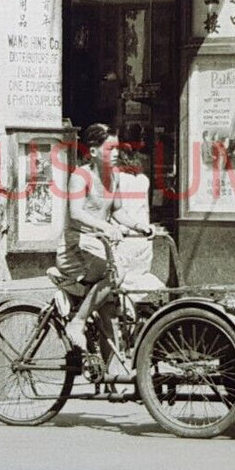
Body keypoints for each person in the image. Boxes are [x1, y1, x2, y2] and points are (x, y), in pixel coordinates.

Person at [57, 123, 132, 361]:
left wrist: (141, 226)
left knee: (109, 313)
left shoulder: (115, 177)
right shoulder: (80, 176)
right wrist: (106, 227)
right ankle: (76, 323)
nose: (116, 153)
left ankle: (111, 380)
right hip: (75, 249)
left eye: (117, 148)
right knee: (115, 273)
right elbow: (76, 212)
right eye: (110, 148)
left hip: (99, 248)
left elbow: (118, 211)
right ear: (92, 151)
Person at [111, 145, 166, 292]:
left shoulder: (116, 179)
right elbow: (145, 208)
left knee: (120, 280)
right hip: (142, 237)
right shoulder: (143, 179)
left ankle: (124, 311)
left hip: (124, 237)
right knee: (140, 277)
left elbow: (114, 210)